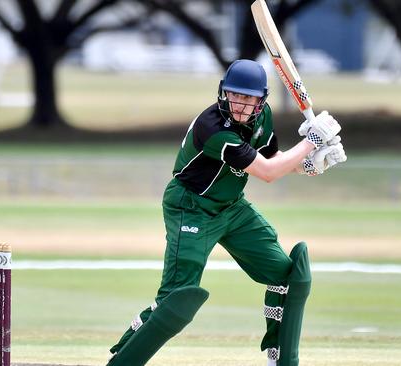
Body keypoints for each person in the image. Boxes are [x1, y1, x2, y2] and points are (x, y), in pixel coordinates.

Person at [106, 59, 347, 366]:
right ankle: (123, 359)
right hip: (190, 207)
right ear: (223, 93)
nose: (240, 104)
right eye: (235, 95)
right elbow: (269, 172)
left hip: (231, 207)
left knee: (288, 276)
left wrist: (313, 162)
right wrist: (311, 140)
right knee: (177, 299)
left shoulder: (264, 118)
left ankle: (280, 359)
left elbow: (275, 159)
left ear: (261, 101)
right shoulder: (214, 128)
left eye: (248, 98)